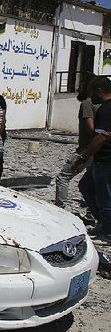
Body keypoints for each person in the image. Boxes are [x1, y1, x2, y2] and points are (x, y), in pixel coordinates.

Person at [74, 77, 111, 241]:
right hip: (101, 159)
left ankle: (108, 231)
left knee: (105, 199)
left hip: (105, 160)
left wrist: (82, 158)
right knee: (86, 186)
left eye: (91, 92)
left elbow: (100, 138)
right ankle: (104, 224)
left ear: (99, 91)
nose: (90, 97)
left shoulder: (105, 110)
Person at [56, 73, 99, 208]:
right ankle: (93, 215)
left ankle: (60, 210)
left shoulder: (87, 103)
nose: (78, 88)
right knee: (92, 183)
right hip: (100, 150)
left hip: (87, 149)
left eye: (80, 85)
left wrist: (84, 155)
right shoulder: (103, 104)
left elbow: (91, 129)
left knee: (63, 178)